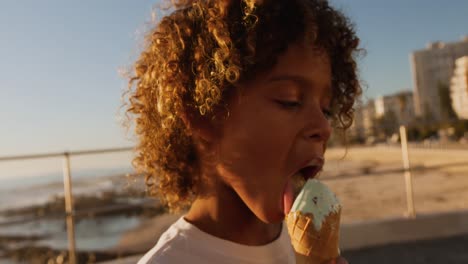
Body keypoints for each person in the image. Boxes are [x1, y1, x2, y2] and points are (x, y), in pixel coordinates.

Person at [124, 0, 361, 263]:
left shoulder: (298, 242)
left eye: (326, 109)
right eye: (289, 100)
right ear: (204, 115)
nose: (324, 127)